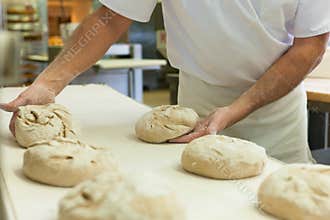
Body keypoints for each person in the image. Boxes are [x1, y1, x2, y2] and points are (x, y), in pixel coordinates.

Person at [1, 1, 329, 163]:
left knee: (274, 200)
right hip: (196, 106)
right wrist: (48, 84)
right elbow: (111, 18)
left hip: (274, 113)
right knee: (199, 199)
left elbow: (310, 47)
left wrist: (234, 111)